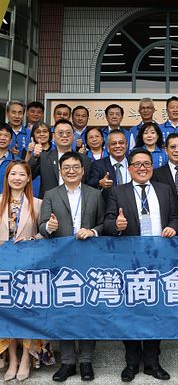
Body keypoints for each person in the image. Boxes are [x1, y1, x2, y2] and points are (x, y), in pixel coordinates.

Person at [104, 148, 178, 382]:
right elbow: (107, 222)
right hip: (129, 261)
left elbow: (175, 217)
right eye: (137, 164)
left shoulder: (165, 189)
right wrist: (117, 226)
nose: (142, 168)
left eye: (146, 163)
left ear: (152, 167)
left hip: (159, 260)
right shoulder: (118, 191)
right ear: (129, 168)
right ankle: (131, 363)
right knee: (130, 312)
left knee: (156, 310)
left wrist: (172, 227)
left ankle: (153, 362)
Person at [39, 151, 105, 382]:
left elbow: (103, 224)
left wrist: (93, 231)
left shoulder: (95, 194)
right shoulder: (51, 194)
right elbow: (41, 225)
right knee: (63, 311)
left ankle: (86, 360)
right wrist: (49, 226)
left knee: (87, 310)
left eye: (75, 167)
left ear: (83, 170)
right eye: (66, 167)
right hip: (61, 263)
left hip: (89, 261)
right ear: (60, 171)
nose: (71, 171)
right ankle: (67, 362)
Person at [0, 161, 54, 381]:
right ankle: (12, 359)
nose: (17, 178)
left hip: (30, 269)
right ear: (7, 177)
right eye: (13, 174)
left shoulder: (38, 203)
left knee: (28, 312)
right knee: (7, 313)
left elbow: (45, 234)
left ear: (29, 178)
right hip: (3, 269)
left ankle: (25, 359)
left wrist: (32, 239)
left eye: (22, 174)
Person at [28, 119, 92, 198]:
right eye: (60, 133)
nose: (64, 136)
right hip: (50, 203)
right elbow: (28, 175)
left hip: (77, 201)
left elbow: (89, 185)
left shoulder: (84, 159)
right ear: (54, 136)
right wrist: (35, 156)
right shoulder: (44, 157)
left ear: (73, 136)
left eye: (68, 133)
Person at [88, 129, 130, 201]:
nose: (118, 146)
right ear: (108, 147)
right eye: (113, 143)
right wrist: (100, 183)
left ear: (126, 145)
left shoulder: (133, 163)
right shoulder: (98, 165)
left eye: (121, 143)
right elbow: (90, 184)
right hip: (108, 205)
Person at [24, 122, 53, 197]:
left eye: (45, 131)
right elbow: (24, 170)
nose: (42, 134)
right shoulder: (28, 150)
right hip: (31, 191)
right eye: (38, 132)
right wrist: (30, 153)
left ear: (50, 134)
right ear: (33, 135)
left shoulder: (56, 149)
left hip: (51, 192)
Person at [0, 123, 18, 194]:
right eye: (0, 135)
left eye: (6, 135)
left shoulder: (16, 161)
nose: (2, 138)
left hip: (7, 198)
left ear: (10, 141)